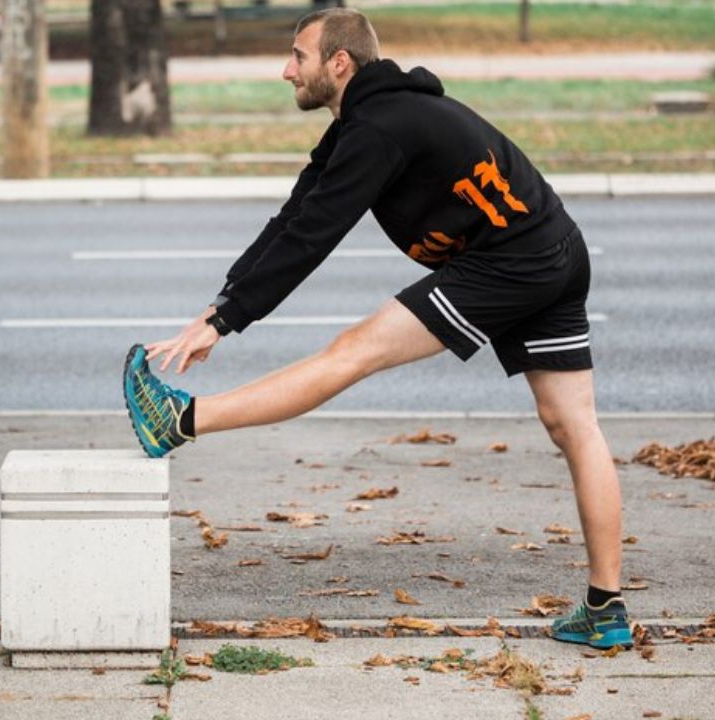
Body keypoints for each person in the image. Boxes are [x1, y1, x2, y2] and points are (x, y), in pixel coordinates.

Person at [122, 8, 631, 650]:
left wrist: (228, 319)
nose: (286, 70)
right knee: (573, 425)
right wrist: (220, 307)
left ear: (339, 63)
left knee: (351, 353)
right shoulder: (365, 122)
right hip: (553, 244)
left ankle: (180, 421)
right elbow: (295, 213)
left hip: (512, 261)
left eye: (298, 56)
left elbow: (313, 237)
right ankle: (605, 609)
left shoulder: (379, 129)